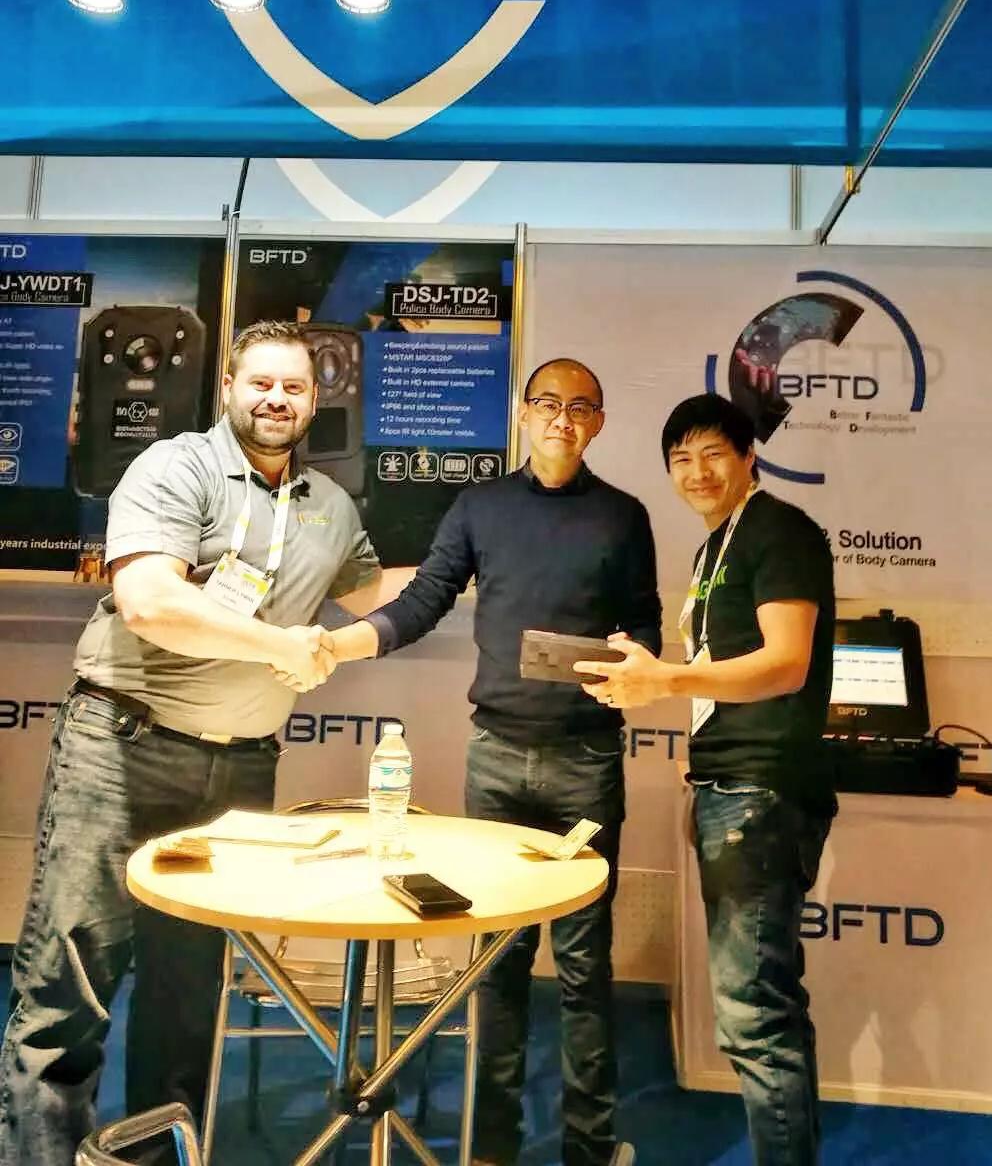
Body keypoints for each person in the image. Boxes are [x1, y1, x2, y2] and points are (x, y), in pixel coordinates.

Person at [0, 319, 405, 1166]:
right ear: (228, 388)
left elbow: (382, 592)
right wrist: (285, 645)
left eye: (293, 387)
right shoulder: (175, 467)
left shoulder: (331, 506)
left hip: (239, 774)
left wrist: (484, 553)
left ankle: (156, 1159)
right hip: (122, 753)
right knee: (69, 995)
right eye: (260, 382)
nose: (276, 399)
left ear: (316, 399)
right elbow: (151, 603)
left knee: (188, 1001)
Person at [325, 358, 662, 1166]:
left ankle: (588, 1148)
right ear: (522, 412)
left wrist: (635, 664)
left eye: (581, 407)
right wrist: (342, 644)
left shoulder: (624, 516)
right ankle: (492, 1146)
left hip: (586, 760)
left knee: (583, 965)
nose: (562, 419)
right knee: (497, 963)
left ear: (599, 422)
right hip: (497, 760)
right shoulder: (481, 505)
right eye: (548, 403)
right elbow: (425, 599)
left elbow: (645, 623)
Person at [577, 392, 836, 1166]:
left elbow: (786, 665)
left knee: (754, 1012)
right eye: (680, 459)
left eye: (713, 453)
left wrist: (666, 680)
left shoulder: (779, 531)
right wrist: (653, 688)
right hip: (728, 784)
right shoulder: (714, 547)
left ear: (749, 456)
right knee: (766, 1003)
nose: (696, 472)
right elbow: (717, 674)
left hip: (763, 789)